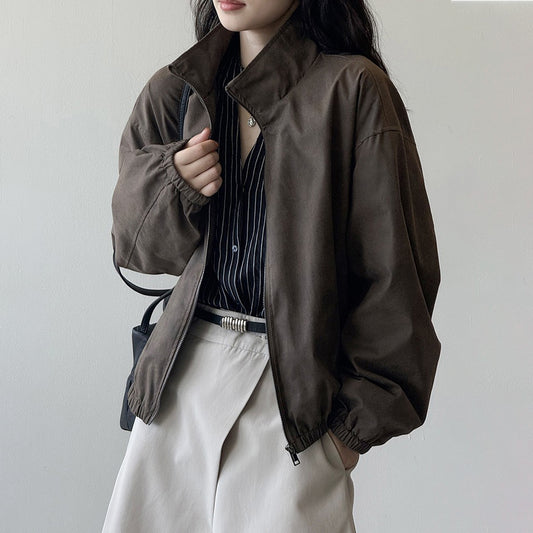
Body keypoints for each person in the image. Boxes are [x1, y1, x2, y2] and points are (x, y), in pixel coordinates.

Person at [103, 0, 441, 531]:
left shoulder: (353, 90)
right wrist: (173, 185)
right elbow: (135, 249)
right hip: (178, 382)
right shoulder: (180, 88)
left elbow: (398, 278)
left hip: (291, 402)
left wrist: (346, 437)